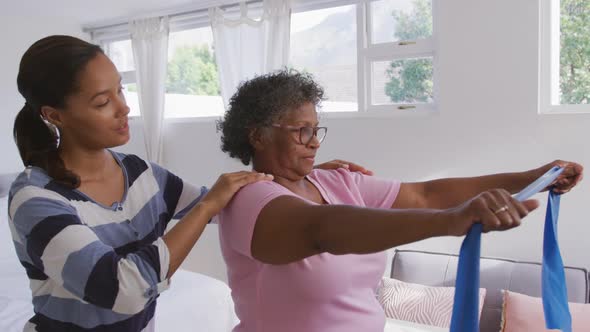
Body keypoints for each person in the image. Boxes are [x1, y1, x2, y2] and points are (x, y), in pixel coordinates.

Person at [7, 35, 368, 332]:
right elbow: (122, 290)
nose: (124, 108)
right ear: (54, 115)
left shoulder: (141, 173)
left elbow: (227, 202)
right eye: (103, 102)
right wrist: (210, 205)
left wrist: (301, 174)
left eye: (120, 90)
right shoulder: (35, 199)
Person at [216, 69, 584, 332]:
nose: (314, 141)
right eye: (302, 131)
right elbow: (323, 229)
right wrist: (451, 220)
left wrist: (532, 178)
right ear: (258, 137)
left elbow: (426, 194)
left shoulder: (338, 181)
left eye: (316, 129)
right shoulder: (249, 199)